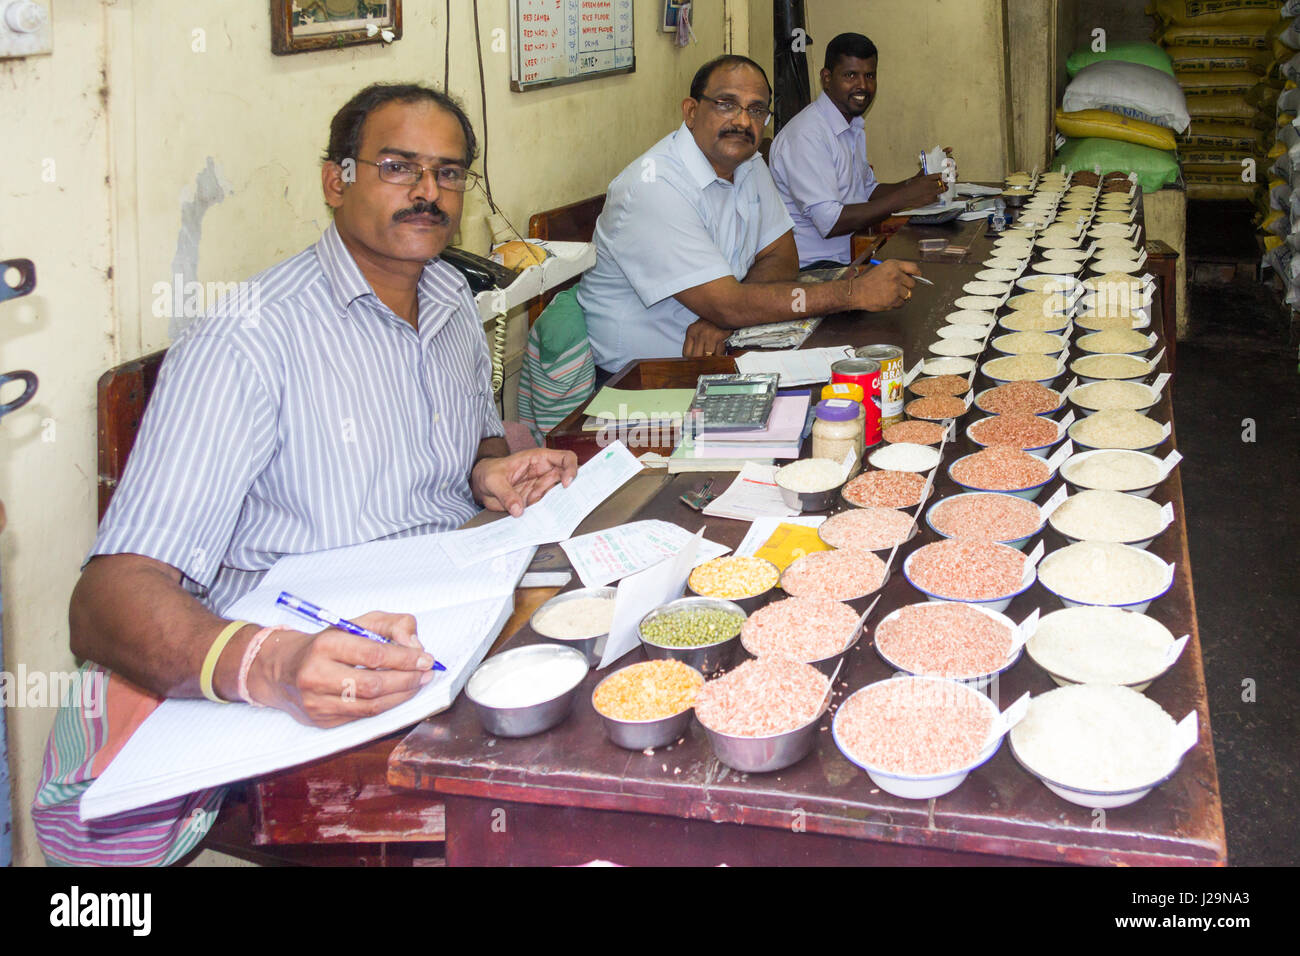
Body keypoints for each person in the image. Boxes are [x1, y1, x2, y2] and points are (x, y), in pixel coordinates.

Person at [33, 83, 577, 863]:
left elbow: (467, 450)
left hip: (445, 617)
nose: (428, 192)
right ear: (336, 180)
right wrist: (272, 665)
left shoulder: (454, 296)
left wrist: (489, 472)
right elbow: (105, 603)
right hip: (312, 667)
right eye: (397, 166)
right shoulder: (249, 340)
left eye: (449, 173)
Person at [576, 54, 922, 377]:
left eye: (756, 110)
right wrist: (851, 293)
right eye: (726, 105)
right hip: (645, 377)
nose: (742, 121)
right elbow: (727, 305)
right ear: (691, 111)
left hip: (728, 349)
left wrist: (727, 316)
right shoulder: (653, 187)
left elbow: (783, 256)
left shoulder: (748, 162)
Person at [769, 33, 948, 269]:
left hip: (854, 255)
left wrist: (914, 184)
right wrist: (904, 197)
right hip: (814, 268)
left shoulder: (852, 124)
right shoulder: (805, 135)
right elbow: (830, 222)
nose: (862, 86)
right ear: (826, 78)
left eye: (869, 75)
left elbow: (867, 189)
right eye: (850, 75)